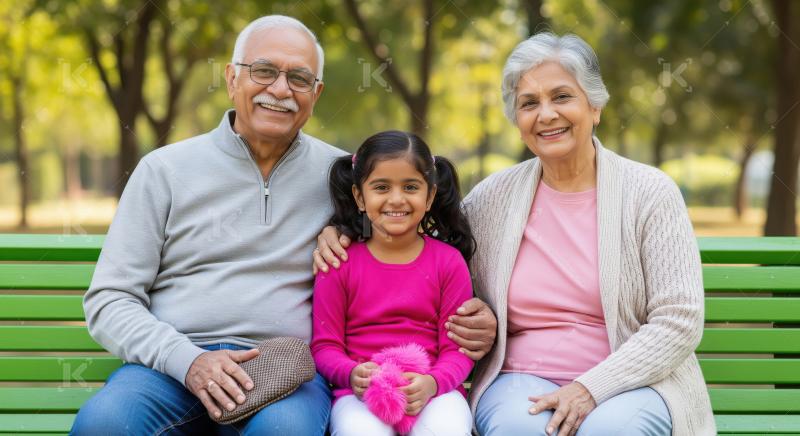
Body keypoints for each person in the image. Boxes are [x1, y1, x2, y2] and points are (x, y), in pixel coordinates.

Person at [71, 14, 493, 436]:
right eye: (264, 71)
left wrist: (484, 319)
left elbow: (410, 234)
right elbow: (110, 299)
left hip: (289, 371)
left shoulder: (346, 178)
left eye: (299, 78)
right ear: (231, 77)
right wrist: (187, 360)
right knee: (104, 425)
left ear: (317, 93)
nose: (280, 89)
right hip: (170, 367)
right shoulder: (163, 170)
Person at [465, 32, 715, 435]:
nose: (546, 114)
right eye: (529, 103)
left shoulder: (649, 192)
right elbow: (424, 252)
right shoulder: (490, 199)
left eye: (562, 97)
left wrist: (589, 388)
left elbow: (679, 320)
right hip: (519, 378)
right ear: (517, 120)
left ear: (594, 105)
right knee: (521, 429)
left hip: (635, 382)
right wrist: (345, 233)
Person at [311, 131, 475, 436]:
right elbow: (325, 345)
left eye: (410, 187)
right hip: (359, 393)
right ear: (360, 197)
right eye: (381, 187)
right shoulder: (338, 263)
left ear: (429, 197)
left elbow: (457, 349)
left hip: (434, 389)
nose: (396, 199)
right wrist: (351, 374)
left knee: (447, 429)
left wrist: (433, 383)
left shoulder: (448, 262)